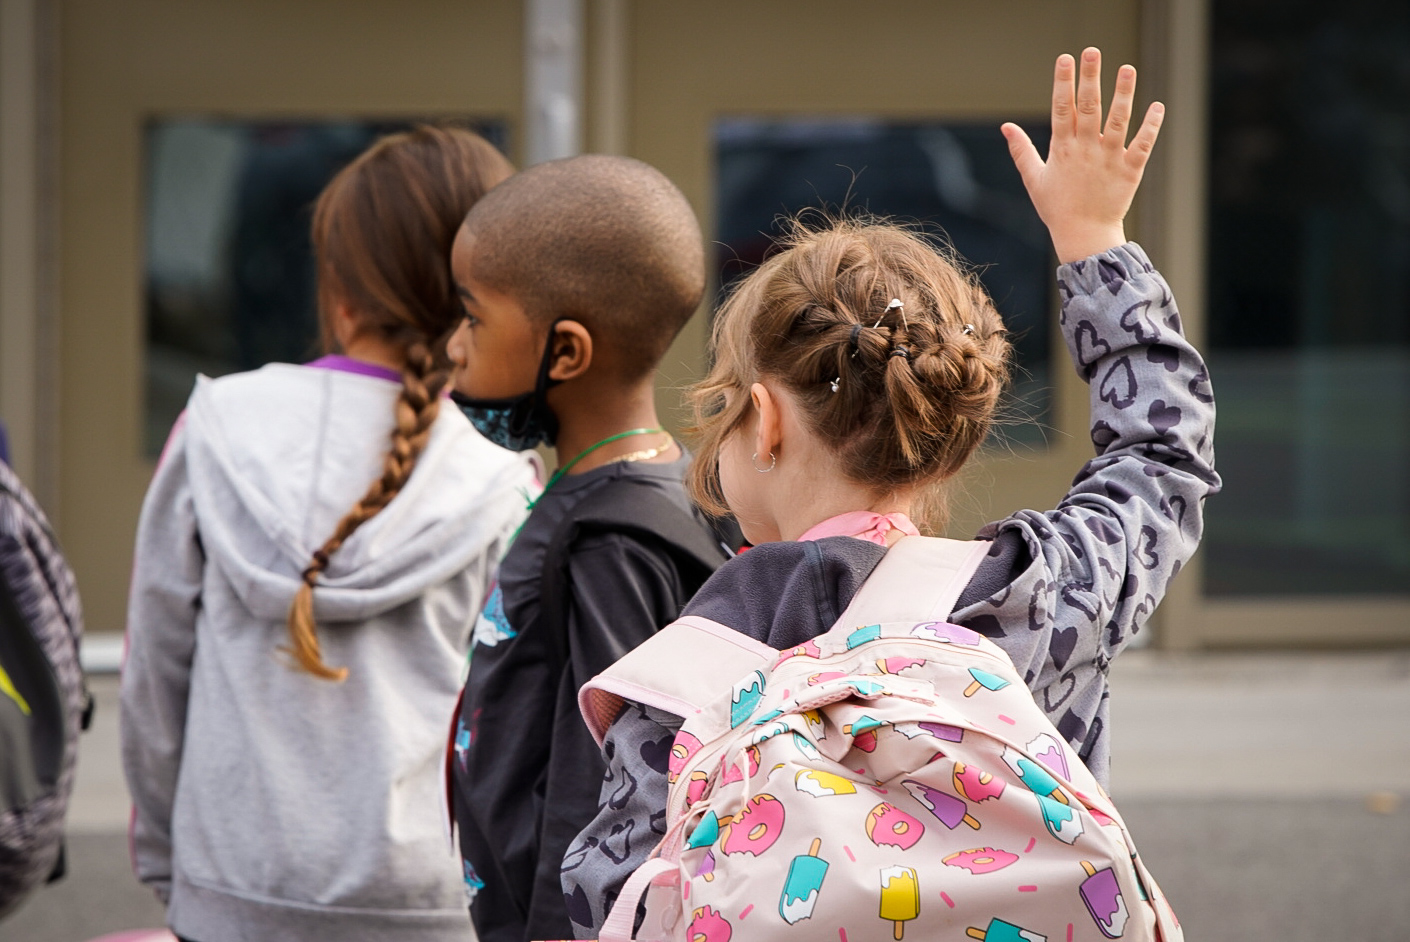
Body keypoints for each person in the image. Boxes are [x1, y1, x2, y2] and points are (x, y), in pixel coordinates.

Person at [563, 48, 1221, 936]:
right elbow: (1162, 453)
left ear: (765, 422)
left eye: (723, 403)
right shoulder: (1044, 593)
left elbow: (615, 897)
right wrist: (1092, 237)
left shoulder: (688, 675)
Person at [120, 126, 537, 942]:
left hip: (229, 891)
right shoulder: (503, 480)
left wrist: (175, 866)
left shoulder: (215, 426)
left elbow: (154, 676)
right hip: (431, 906)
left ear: (339, 294)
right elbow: (510, 730)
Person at [444, 154, 736, 942]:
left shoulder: (614, 542)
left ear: (566, 353)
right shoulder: (644, 487)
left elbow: (605, 793)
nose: (454, 347)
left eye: (472, 319)